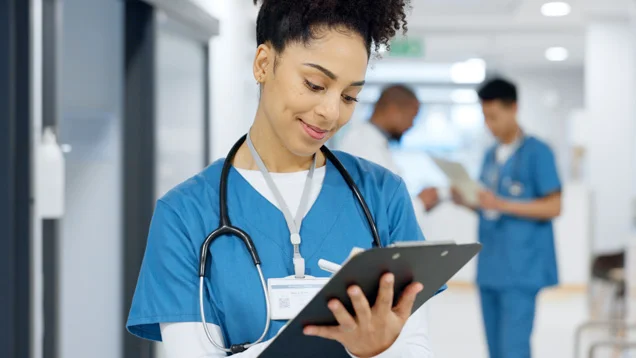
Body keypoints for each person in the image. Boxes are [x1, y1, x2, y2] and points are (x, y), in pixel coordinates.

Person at [126, 0, 441, 357]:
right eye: (315, 84)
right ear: (263, 63)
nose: (331, 112)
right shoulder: (185, 214)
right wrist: (330, 340)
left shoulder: (383, 196)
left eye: (350, 96)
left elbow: (414, 347)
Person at [452, 77, 562, 358]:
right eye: (485, 118)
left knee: (513, 349)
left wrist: (502, 204)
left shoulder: (538, 152)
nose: (489, 125)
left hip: (521, 270)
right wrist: (466, 200)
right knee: (494, 349)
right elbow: (487, 205)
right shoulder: (491, 155)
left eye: (494, 117)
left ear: (513, 108)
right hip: (491, 268)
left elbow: (554, 206)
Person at [336, 84, 442, 219]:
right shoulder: (364, 145)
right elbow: (380, 211)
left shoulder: (373, 140)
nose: (411, 125)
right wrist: (420, 203)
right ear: (393, 110)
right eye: (412, 116)